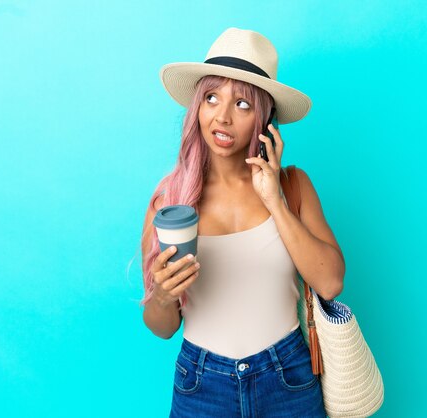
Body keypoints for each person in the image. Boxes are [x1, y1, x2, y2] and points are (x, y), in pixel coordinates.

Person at [140, 27, 345, 417]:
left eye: (243, 105)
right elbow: (162, 326)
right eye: (212, 98)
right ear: (197, 108)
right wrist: (164, 297)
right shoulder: (170, 203)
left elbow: (331, 281)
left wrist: (275, 202)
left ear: (265, 119)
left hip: (287, 375)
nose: (222, 116)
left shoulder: (293, 186)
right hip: (201, 382)